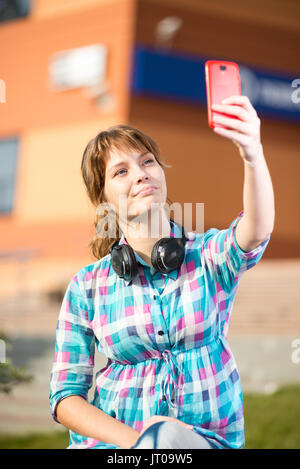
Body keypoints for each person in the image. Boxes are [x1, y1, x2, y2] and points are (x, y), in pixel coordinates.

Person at [49, 95, 275, 449]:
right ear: (104, 198)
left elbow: (257, 229)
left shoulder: (207, 255)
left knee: (167, 438)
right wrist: (140, 442)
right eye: (121, 171)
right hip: (119, 446)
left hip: (201, 442)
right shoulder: (87, 287)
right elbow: (65, 398)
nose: (140, 174)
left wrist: (252, 153)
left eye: (147, 162)